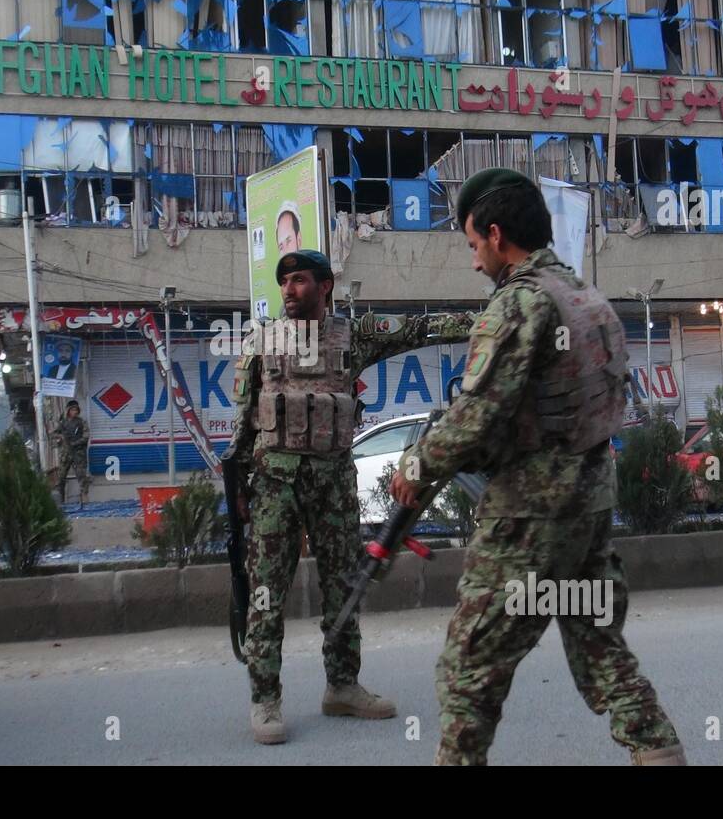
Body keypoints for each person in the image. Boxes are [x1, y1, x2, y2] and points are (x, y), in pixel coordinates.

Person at [388, 168, 685, 766]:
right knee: (601, 650)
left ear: (497, 236)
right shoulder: (588, 298)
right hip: (590, 509)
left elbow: (477, 416)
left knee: (469, 667)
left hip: (530, 516)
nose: (474, 262)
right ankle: (662, 754)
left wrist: (416, 468)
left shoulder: (522, 301)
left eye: (474, 245)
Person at [227, 249, 475, 745]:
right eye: (284, 284)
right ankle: (265, 698)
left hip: (333, 482)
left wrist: (488, 321)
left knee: (343, 585)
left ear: (326, 287)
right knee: (266, 593)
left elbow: (420, 330)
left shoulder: (353, 335)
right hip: (274, 482)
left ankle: (342, 685)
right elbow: (244, 417)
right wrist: (237, 486)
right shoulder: (262, 340)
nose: (290, 292)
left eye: (299, 281)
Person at [56, 400, 91, 504]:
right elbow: (53, 434)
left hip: (78, 453)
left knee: (82, 477)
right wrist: (61, 437)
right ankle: (60, 500)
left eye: (76, 409)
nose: (74, 412)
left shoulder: (81, 422)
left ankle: (85, 499)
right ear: (68, 411)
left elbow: (86, 436)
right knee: (61, 478)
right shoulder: (63, 423)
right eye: (72, 410)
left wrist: (75, 443)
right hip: (65, 454)